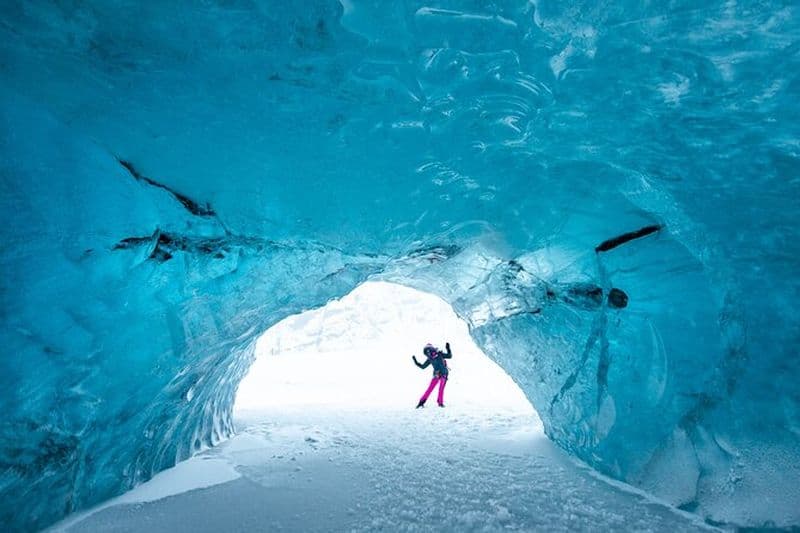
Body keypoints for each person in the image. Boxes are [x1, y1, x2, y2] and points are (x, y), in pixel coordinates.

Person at [412, 342, 452, 408]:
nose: (429, 353)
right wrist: (415, 361)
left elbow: (449, 356)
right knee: (432, 388)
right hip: (438, 373)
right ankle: (423, 402)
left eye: (429, 351)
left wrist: (448, 348)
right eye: (427, 353)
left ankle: (439, 403)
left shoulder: (439, 354)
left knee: (439, 388)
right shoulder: (432, 357)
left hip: (443, 373)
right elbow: (423, 367)